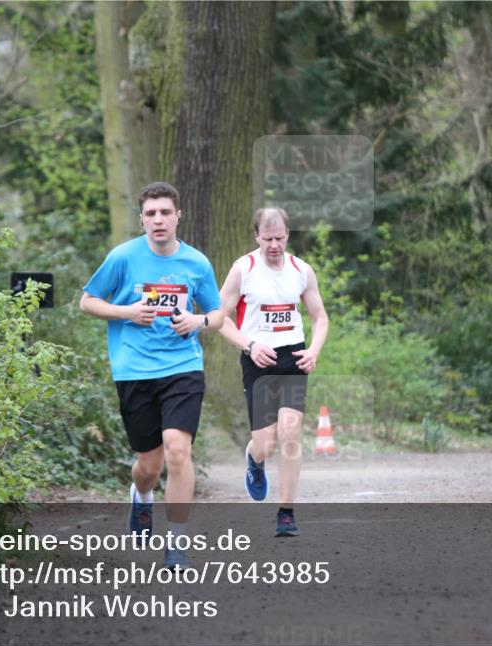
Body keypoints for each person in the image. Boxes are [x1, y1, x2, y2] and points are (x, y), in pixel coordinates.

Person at [79, 181, 223, 568]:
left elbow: (219, 314)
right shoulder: (123, 257)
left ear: (178, 216)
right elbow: (87, 301)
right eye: (151, 214)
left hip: (182, 368)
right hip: (135, 369)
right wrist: (128, 312)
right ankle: (141, 497)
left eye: (165, 212)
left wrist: (198, 320)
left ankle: (177, 541)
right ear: (141, 220)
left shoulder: (197, 263)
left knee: (178, 451)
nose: (158, 220)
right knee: (150, 465)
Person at [217, 208, 329, 536]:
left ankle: (286, 513)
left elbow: (320, 317)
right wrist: (249, 346)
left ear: (288, 235)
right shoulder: (243, 269)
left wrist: (313, 351)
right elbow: (220, 318)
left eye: (280, 238)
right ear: (256, 237)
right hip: (258, 361)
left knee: (291, 431)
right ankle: (254, 459)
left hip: (293, 357)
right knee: (265, 444)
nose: (274, 245)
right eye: (268, 239)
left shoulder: (301, 270)